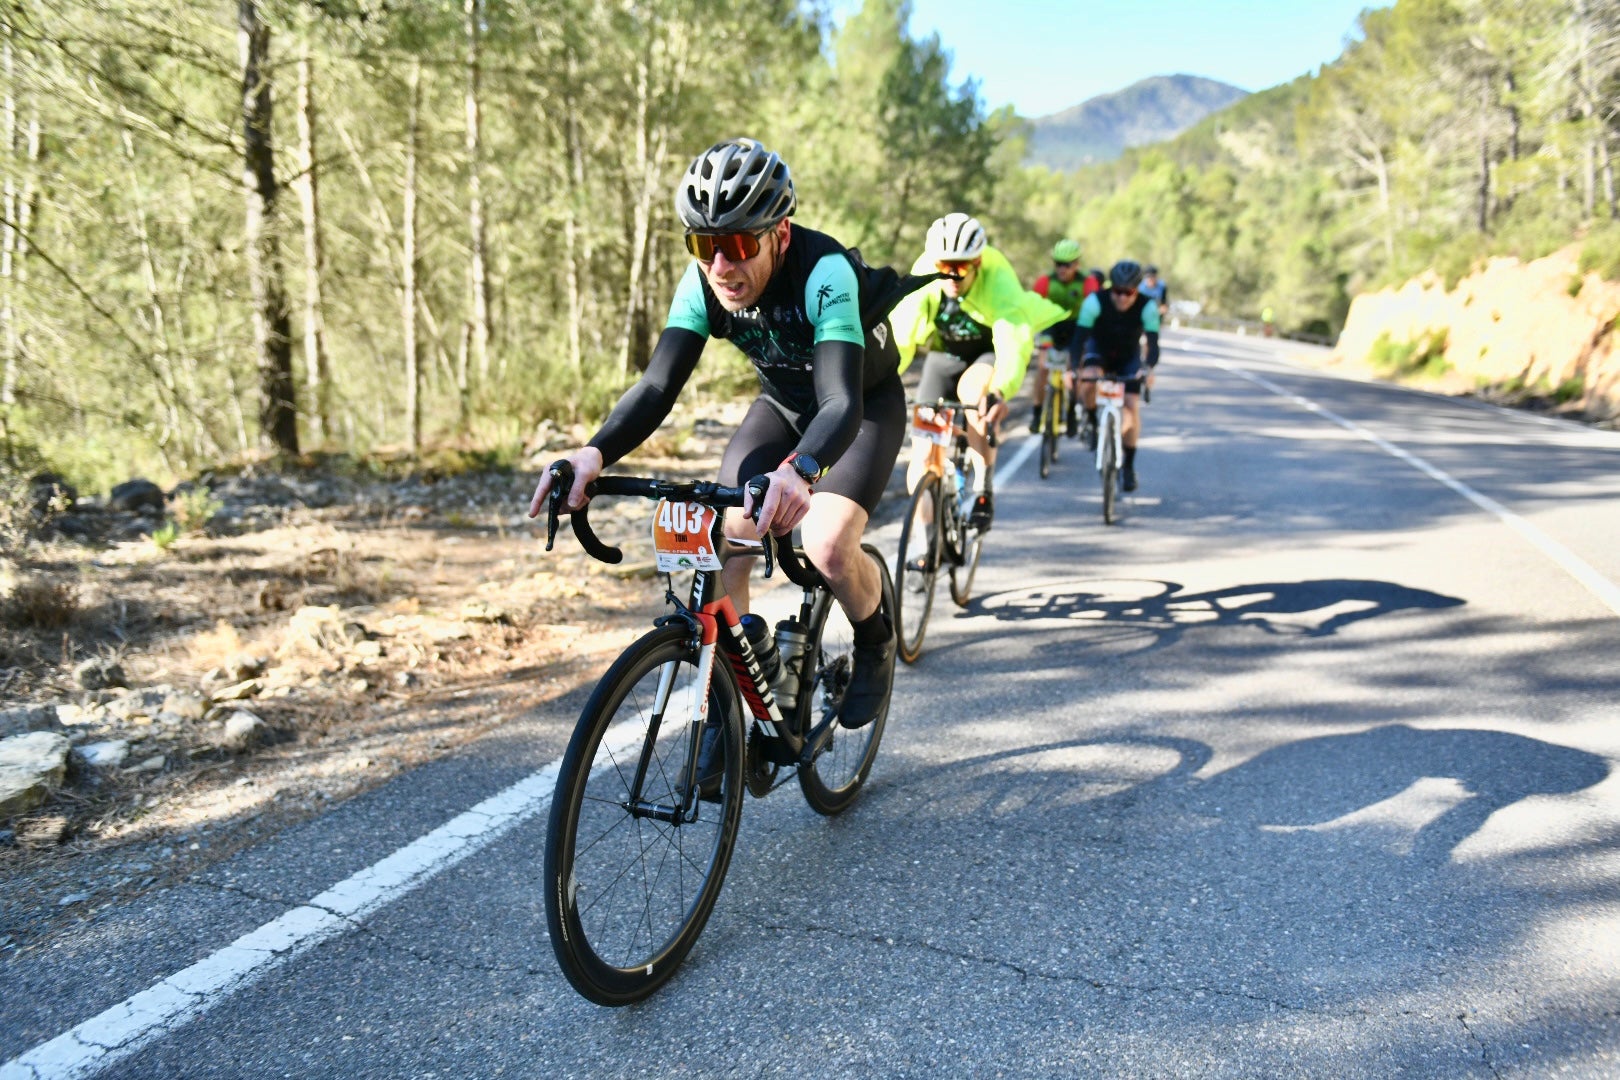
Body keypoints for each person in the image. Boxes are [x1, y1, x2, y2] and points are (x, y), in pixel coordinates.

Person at [526, 137, 910, 732]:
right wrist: (592, 452)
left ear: (779, 234)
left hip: (859, 405)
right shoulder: (703, 281)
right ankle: (734, 697)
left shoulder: (824, 271)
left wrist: (800, 472)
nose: (721, 266)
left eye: (736, 244)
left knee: (829, 544)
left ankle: (876, 638)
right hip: (783, 403)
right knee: (726, 529)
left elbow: (839, 399)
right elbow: (657, 388)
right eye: (705, 246)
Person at [889, 213, 1068, 531]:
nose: (953, 276)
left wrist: (1001, 390)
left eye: (962, 266)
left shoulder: (998, 278)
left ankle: (983, 489)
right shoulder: (926, 272)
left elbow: (1013, 341)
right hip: (945, 356)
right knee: (922, 457)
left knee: (975, 398)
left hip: (986, 353)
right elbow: (902, 336)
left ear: (978, 261)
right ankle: (923, 539)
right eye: (944, 266)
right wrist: (880, 376)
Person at [1075, 258, 1160, 493]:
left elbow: (1153, 345)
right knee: (1089, 379)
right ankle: (1091, 420)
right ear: (1111, 288)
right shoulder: (1095, 302)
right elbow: (1079, 339)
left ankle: (1128, 466)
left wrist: (1149, 369)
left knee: (1131, 408)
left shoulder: (1148, 306)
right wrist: (1073, 368)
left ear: (1137, 290)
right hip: (1098, 352)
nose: (1122, 297)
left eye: (1129, 292)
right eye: (1118, 291)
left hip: (1128, 358)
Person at [1029, 239, 1088, 435]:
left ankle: (1071, 412)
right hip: (1051, 327)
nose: (1062, 269)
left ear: (1077, 264)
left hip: (1075, 329)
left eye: (1067, 265)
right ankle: (1037, 414)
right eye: (1058, 264)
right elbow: (1031, 308)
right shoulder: (1045, 282)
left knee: (1073, 372)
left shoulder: (1087, 283)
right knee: (1043, 367)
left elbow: (1094, 311)